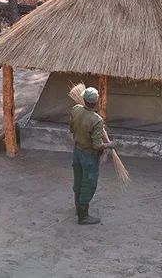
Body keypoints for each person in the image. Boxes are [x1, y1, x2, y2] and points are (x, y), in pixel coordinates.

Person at [70, 87, 115, 225]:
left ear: (84, 99)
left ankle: (78, 208)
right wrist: (109, 145)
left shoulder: (75, 109)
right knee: (89, 183)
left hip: (77, 152)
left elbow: (71, 128)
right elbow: (97, 145)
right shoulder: (96, 120)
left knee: (78, 179)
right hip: (88, 156)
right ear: (95, 102)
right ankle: (83, 217)